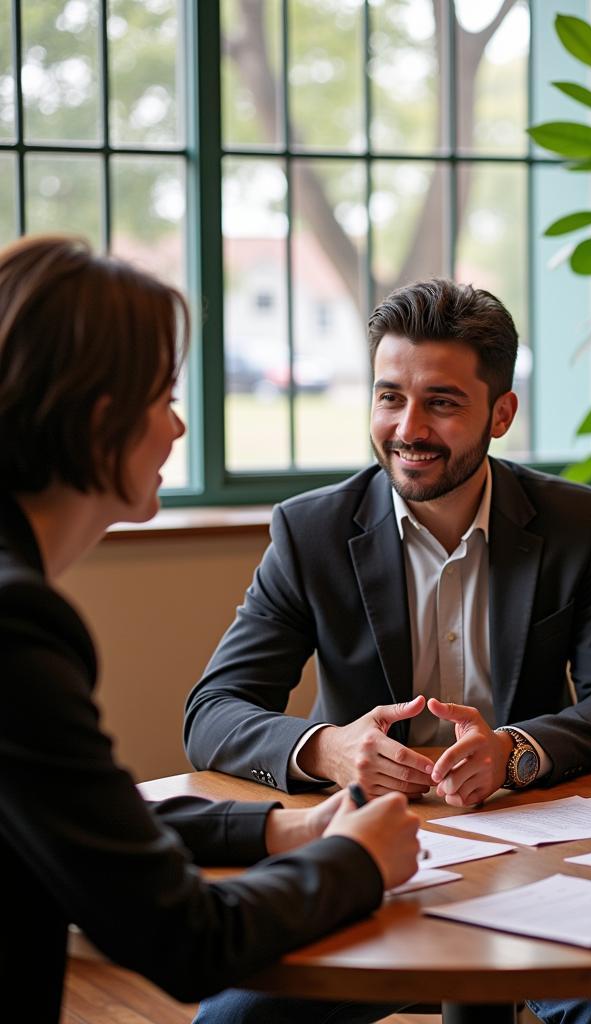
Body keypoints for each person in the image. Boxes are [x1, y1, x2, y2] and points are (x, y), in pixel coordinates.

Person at [183, 277, 591, 1024]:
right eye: (389, 397)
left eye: (440, 402)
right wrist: (327, 748)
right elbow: (213, 711)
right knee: (231, 1019)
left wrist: (516, 750)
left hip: (539, 855)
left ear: (501, 413)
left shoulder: (576, 523)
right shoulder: (310, 533)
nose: (408, 427)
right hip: (368, 851)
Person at [0, 235, 421, 1024]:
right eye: (163, 398)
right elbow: (184, 937)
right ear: (101, 422)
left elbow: (88, 818)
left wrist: (282, 830)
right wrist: (355, 860)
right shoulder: (17, 627)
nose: (180, 429)